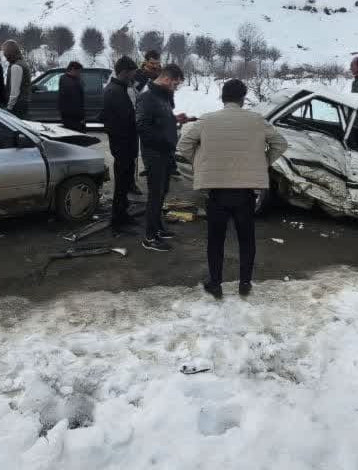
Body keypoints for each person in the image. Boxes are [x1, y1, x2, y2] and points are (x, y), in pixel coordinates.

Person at [177, 79, 288, 298]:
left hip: (216, 193)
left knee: (215, 241)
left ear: (223, 97)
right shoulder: (258, 121)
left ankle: (216, 284)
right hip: (245, 194)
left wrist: (200, 163)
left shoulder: (206, 121)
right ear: (242, 98)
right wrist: (262, 162)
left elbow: (184, 145)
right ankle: (245, 284)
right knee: (247, 239)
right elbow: (281, 144)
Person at [135, 62, 184, 252]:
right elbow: (142, 127)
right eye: (175, 84)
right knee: (155, 195)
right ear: (165, 79)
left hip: (165, 152)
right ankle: (149, 237)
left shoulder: (162, 96)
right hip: (154, 153)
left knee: (163, 192)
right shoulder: (147, 97)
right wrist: (163, 141)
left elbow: (161, 119)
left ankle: (158, 227)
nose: (176, 88)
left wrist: (174, 119)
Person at [100, 56, 139, 233]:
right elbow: (126, 121)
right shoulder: (115, 91)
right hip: (122, 145)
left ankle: (122, 214)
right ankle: (118, 219)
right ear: (124, 72)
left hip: (123, 145)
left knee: (124, 183)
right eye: (132, 73)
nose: (133, 77)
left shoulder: (117, 88)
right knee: (122, 183)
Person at [3, 40, 31, 116]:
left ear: (8, 52)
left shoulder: (16, 66)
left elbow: (14, 91)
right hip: (23, 102)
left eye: (4, 51)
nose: (4, 54)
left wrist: (9, 107)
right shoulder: (22, 63)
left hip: (17, 105)